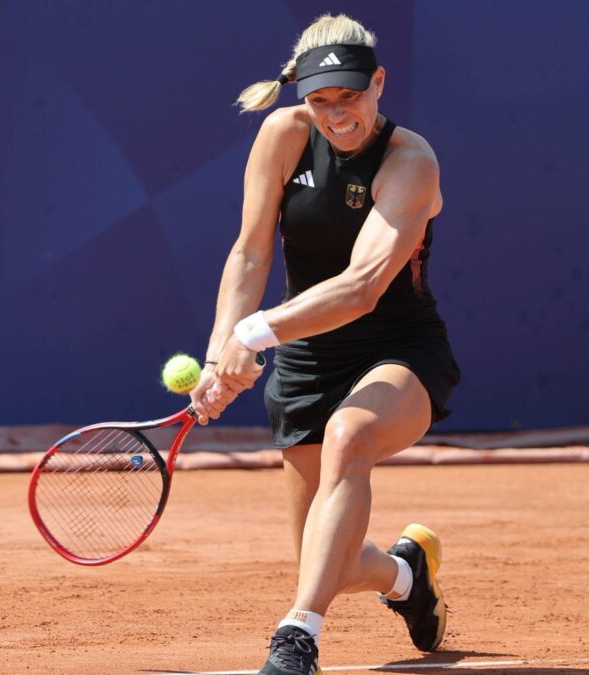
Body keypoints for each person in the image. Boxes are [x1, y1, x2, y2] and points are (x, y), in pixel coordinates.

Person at [187, 14, 461, 675]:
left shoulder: (411, 162)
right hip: (308, 359)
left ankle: (297, 636)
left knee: (349, 436)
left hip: (399, 352)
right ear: (301, 96)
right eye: (321, 101)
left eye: (351, 97)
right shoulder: (282, 136)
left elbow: (363, 285)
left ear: (379, 84)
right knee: (329, 558)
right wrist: (222, 346)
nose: (338, 116)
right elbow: (251, 253)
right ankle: (406, 576)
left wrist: (258, 332)